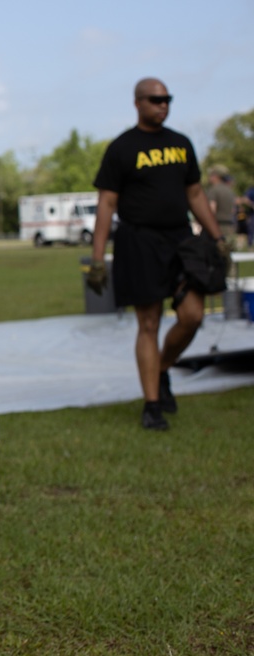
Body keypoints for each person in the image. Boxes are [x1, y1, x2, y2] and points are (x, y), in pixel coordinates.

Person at [86, 78, 228, 431]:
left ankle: (162, 368)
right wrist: (98, 257)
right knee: (147, 323)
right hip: (139, 242)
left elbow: (195, 194)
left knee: (192, 315)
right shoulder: (122, 147)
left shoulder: (181, 144)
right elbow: (107, 202)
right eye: (156, 99)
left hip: (181, 242)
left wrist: (218, 237)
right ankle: (152, 405)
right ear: (138, 103)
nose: (163, 105)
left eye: (167, 99)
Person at [205, 165, 236, 249]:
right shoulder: (229, 190)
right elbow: (233, 210)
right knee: (227, 257)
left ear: (216, 176)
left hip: (217, 229)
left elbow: (211, 211)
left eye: (211, 175)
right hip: (230, 228)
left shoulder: (213, 190)